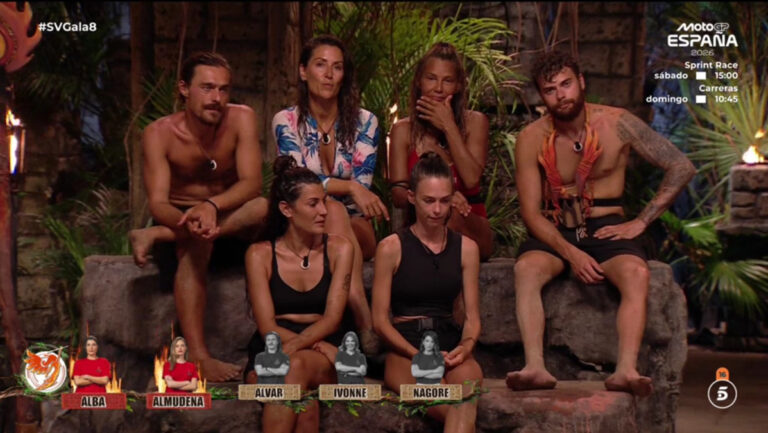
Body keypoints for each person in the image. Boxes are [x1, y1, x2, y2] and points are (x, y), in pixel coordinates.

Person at [506, 51, 696, 396]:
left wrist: (641, 221)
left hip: (607, 226)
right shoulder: (531, 138)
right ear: (542, 96)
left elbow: (681, 166)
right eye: (550, 89)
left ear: (581, 82)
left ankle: (626, 371)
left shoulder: (618, 123)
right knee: (526, 269)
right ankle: (535, 367)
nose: (561, 94)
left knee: (636, 273)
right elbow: (531, 214)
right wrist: (572, 254)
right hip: (555, 227)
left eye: (566, 84)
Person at [128, 52, 268, 381]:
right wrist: (191, 219)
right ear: (184, 89)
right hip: (181, 223)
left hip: (228, 220)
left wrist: (211, 207)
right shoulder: (158, 134)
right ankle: (200, 356)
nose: (216, 98)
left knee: (262, 206)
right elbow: (158, 203)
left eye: (223, 89)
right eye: (207, 88)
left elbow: (252, 183)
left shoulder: (242, 119)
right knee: (198, 244)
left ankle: (154, 235)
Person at [272, 35, 382, 353]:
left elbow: (364, 186)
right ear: (303, 71)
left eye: (337, 67)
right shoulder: (286, 121)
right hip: (301, 225)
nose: (329, 74)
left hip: (356, 225)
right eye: (320, 65)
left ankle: (359, 319)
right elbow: (295, 179)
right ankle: (364, 322)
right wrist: (347, 187)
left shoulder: (366, 122)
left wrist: (347, 191)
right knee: (331, 208)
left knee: (335, 210)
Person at [372, 152, 482, 433]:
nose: (437, 210)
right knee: (452, 406)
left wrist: (466, 347)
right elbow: (380, 322)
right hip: (406, 347)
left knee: (466, 399)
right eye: (429, 201)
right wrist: (416, 355)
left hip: (450, 344)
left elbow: (472, 317)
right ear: (412, 197)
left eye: (445, 201)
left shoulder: (467, 248)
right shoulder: (391, 247)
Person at [245, 155, 354, 433]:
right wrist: (301, 346)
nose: (324, 211)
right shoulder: (259, 254)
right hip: (274, 344)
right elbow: (267, 326)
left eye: (324, 202)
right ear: (286, 209)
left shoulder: (340, 249)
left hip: (325, 345)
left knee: (292, 367)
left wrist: (301, 347)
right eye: (313, 204)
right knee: (306, 405)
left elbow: (332, 319)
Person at [389, 42, 493, 261]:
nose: (438, 88)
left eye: (447, 81)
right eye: (431, 78)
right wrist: (440, 198)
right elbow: (398, 196)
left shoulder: (476, 123)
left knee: (451, 215)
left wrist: (448, 125)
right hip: (420, 225)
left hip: (468, 220)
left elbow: (471, 179)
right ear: (419, 81)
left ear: (458, 86)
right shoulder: (403, 130)